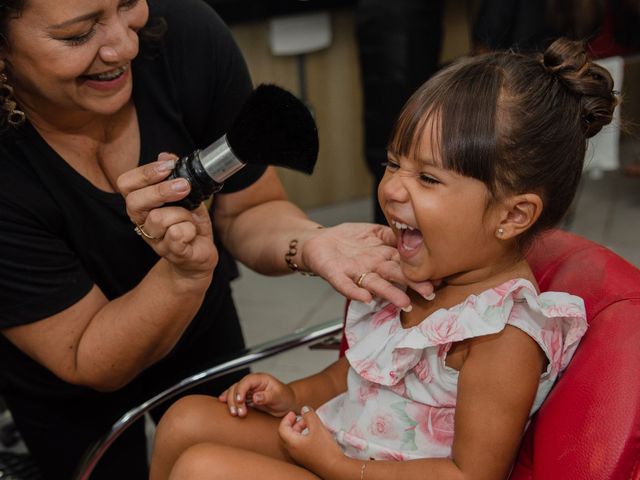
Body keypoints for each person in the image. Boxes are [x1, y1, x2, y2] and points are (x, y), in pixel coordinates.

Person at [148, 37, 619, 479]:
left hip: (366, 471)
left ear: (513, 214)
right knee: (184, 419)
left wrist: (341, 468)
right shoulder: (415, 275)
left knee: (204, 468)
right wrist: (292, 395)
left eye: (428, 179)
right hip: (346, 449)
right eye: (394, 164)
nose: (391, 189)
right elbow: (352, 377)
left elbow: (469, 474)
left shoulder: (502, 336)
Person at [0, 0, 434, 479]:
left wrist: (310, 244)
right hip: (71, 381)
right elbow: (87, 356)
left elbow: (250, 208)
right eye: (79, 34)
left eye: (128, 4)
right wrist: (183, 276)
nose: (125, 45)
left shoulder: (186, 38)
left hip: (201, 330)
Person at [355, 0, 444, 225]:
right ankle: (395, 226)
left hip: (391, 15)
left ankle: (396, 224)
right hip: (397, 18)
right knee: (399, 128)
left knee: (400, 126)